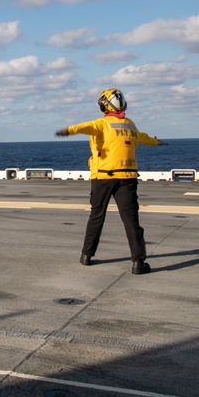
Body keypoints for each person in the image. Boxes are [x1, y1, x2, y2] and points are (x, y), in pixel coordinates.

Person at [55, 88, 167, 275]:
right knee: (131, 220)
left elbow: (83, 127)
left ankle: (86, 256)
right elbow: (144, 138)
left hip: (103, 177)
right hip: (127, 178)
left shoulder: (102, 124)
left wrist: (67, 131)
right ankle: (138, 262)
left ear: (105, 106)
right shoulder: (130, 125)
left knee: (97, 216)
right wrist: (158, 142)